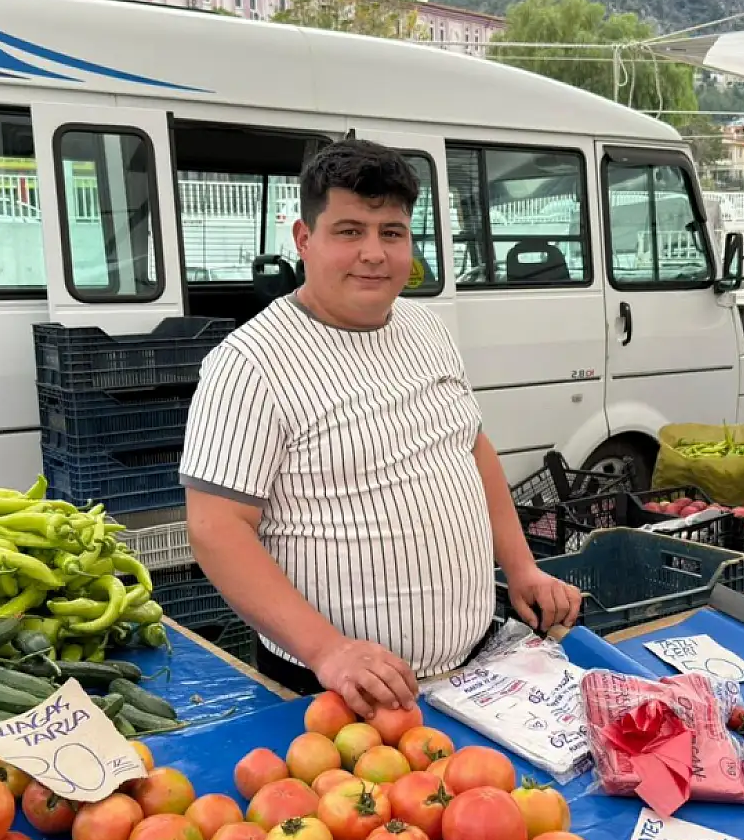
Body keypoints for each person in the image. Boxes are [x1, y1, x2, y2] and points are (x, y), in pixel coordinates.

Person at [178, 138, 583, 717]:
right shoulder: (250, 363)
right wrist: (329, 651)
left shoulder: (427, 329)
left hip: (471, 666)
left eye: (391, 232)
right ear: (303, 239)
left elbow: (472, 449)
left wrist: (521, 569)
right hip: (335, 691)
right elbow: (217, 529)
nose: (373, 252)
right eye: (349, 231)